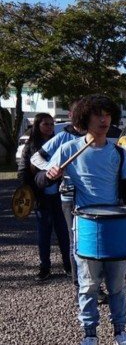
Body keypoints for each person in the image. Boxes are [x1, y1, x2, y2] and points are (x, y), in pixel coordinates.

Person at [38, 94, 126, 345]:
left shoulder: (119, 153)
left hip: (116, 225)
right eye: (97, 115)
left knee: (118, 285)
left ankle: (121, 331)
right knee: (87, 286)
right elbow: (40, 180)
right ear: (84, 119)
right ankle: (89, 335)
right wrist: (49, 175)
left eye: (107, 114)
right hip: (85, 225)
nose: (104, 119)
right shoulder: (68, 150)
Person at [18, 113, 71, 281]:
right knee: (44, 234)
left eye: (52, 124)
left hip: (60, 196)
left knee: (64, 233)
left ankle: (69, 266)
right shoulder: (31, 146)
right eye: (46, 124)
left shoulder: (59, 142)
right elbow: (23, 172)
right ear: (37, 125)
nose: (50, 127)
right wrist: (29, 193)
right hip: (41, 197)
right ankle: (45, 268)